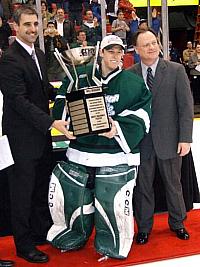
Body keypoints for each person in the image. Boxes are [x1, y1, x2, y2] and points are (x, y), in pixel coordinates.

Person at [47, 34, 151, 259]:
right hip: (81, 152)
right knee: (74, 197)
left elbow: (142, 114)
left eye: (119, 51)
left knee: (111, 201)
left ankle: (112, 245)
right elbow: (61, 106)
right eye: (111, 51)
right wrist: (68, 101)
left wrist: (116, 129)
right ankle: (71, 236)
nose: (116, 56)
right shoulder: (79, 77)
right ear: (101, 53)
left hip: (115, 156)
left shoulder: (132, 82)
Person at [0, 5, 72, 264]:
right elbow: (19, 102)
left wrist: (70, 93)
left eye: (35, 24)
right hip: (21, 139)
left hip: (40, 137)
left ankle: (40, 232)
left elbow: (42, 92)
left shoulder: (38, 54)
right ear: (15, 26)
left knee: (40, 188)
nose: (32, 29)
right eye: (27, 24)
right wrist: (52, 122)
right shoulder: (9, 59)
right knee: (22, 192)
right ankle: (24, 245)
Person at [130, 29, 193, 245]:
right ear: (137, 50)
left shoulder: (176, 70)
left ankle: (178, 223)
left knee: (173, 185)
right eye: (145, 44)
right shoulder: (130, 74)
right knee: (143, 187)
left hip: (170, 139)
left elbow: (186, 107)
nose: (151, 47)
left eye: (154, 42)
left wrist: (185, 138)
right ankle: (144, 228)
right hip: (142, 143)